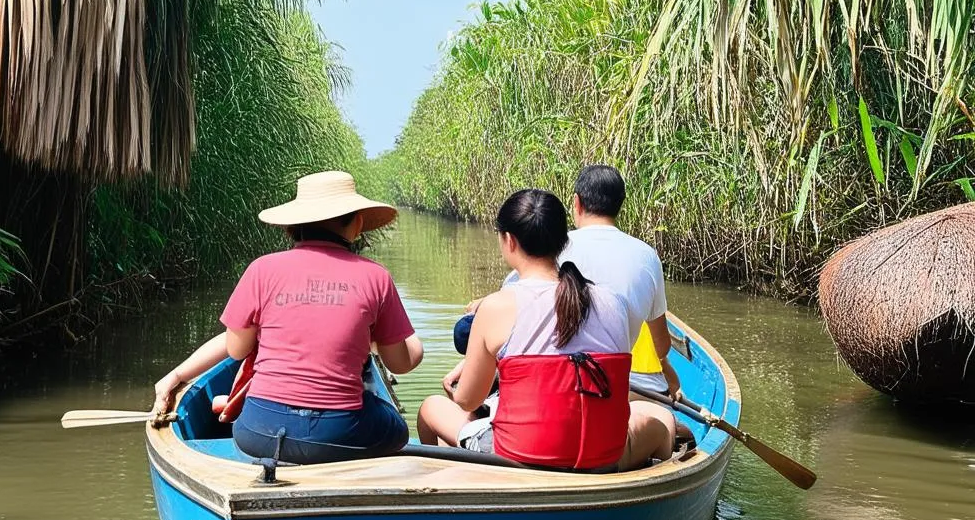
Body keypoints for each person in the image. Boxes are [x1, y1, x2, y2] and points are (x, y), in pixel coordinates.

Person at [150, 171, 423, 464]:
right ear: (356, 224)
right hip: (339, 435)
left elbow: (237, 348)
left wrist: (176, 376)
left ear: (293, 225)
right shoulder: (376, 277)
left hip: (258, 433)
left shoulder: (261, 269)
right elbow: (400, 363)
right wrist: (405, 342)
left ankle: (227, 408)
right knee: (396, 429)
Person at [418, 189, 675, 470]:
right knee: (661, 422)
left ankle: (456, 487)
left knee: (430, 408)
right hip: (603, 458)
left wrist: (462, 388)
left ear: (509, 241)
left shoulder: (496, 306)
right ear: (563, 240)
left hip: (517, 458)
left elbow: (468, 399)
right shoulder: (614, 302)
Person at [563, 164, 680, 401]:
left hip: (563, 383)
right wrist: (666, 367)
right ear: (619, 206)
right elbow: (662, 346)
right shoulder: (647, 256)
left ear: (577, 203)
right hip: (620, 387)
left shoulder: (555, 247)